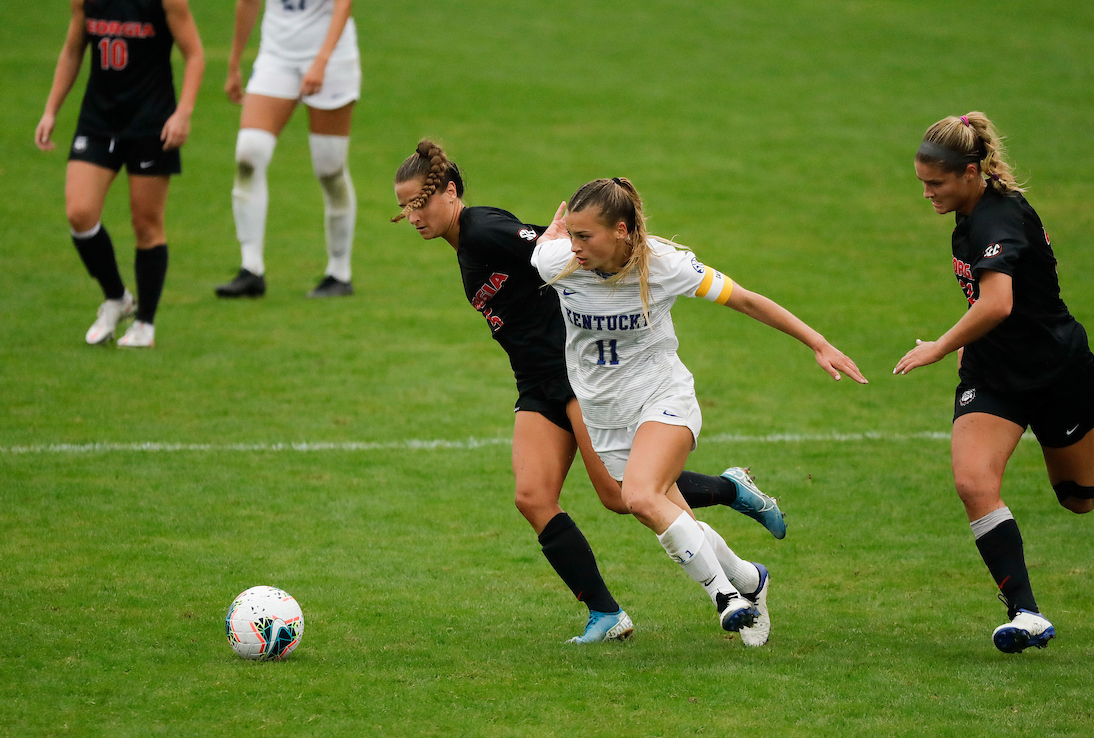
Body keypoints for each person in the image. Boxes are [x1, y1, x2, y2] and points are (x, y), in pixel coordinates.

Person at [393, 141, 790, 645]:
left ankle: (731, 501)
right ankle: (606, 613)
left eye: (419, 203)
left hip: (576, 375)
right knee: (532, 496)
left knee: (623, 496)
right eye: (404, 207)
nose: (412, 216)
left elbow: (576, 251)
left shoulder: (483, 229)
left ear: (450, 192)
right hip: (535, 384)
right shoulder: (465, 246)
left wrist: (568, 249)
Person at [532, 177, 867, 644]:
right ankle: (752, 580)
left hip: (663, 398)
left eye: (585, 236)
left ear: (623, 231)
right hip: (604, 415)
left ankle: (726, 597)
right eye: (571, 234)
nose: (575, 245)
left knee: (640, 497)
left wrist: (818, 342)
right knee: (671, 517)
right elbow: (546, 244)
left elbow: (746, 299)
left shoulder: (666, 266)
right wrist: (556, 235)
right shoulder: (557, 261)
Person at [894, 112, 1094, 654]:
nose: (926, 194)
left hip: (1056, 373)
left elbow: (998, 302)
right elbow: (990, 308)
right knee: (973, 483)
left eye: (935, 183)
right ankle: (1027, 613)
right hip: (994, 374)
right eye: (922, 183)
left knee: (1078, 496)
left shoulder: (998, 218)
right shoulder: (969, 212)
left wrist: (940, 346)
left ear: (971, 172)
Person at [36, 0, 205, 347]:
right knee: (79, 213)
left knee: (146, 224)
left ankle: (145, 325)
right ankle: (117, 297)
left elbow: (195, 55)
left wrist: (183, 112)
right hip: (99, 119)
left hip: (151, 121)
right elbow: (72, 51)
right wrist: (51, 110)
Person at [215, 0, 359, 300]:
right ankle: (250, 268)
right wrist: (234, 62)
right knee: (249, 155)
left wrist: (321, 61)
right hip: (276, 57)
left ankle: (339, 272)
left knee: (330, 169)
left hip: (331, 59)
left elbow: (343, 4)